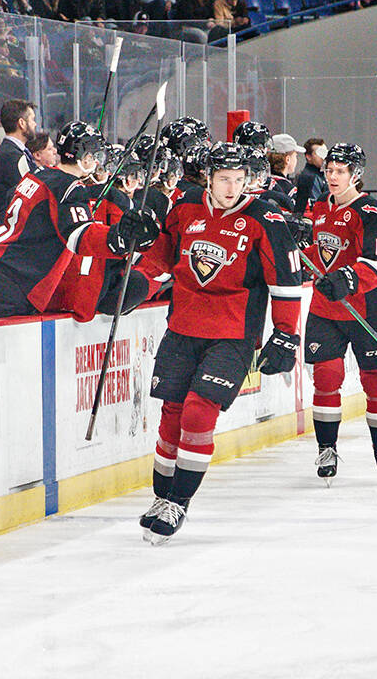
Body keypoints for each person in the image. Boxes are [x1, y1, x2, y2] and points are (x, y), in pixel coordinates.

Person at [138, 142, 302, 542]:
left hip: (233, 334)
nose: (232, 188)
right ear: (209, 178)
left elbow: (286, 280)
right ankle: (161, 498)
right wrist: (136, 240)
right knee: (172, 413)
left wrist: (286, 334)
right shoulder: (186, 207)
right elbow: (162, 257)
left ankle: (179, 502)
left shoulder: (265, 218)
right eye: (224, 179)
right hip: (182, 326)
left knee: (198, 411)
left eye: (239, 180)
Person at [0, 120, 159, 320]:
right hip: (12, 283)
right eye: (97, 157)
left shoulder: (37, 175)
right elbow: (80, 236)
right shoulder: (67, 186)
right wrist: (121, 237)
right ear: (85, 158)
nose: (97, 164)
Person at [293, 143, 377, 484]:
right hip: (327, 309)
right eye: (330, 170)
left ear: (356, 175)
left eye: (340, 171)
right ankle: (327, 448)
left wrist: (350, 278)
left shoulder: (370, 211)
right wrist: (295, 244)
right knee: (325, 377)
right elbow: (320, 252)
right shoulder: (320, 209)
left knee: (376, 380)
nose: (333, 176)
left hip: (368, 308)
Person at [0, 98, 38, 220]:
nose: (35, 124)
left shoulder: (14, 152)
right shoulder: (12, 156)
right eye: (32, 119)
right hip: (15, 229)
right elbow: (29, 195)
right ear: (22, 123)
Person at [292, 137, 327, 214]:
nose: (323, 157)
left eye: (325, 153)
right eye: (320, 153)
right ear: (308, 156)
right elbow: (316, 208)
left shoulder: (322, 176)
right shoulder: (309, 178)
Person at [268, 133, 301, 200]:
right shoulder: (291, 191)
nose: (296, 159)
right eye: (295, 156)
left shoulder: (262, 183)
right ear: (287, 159)